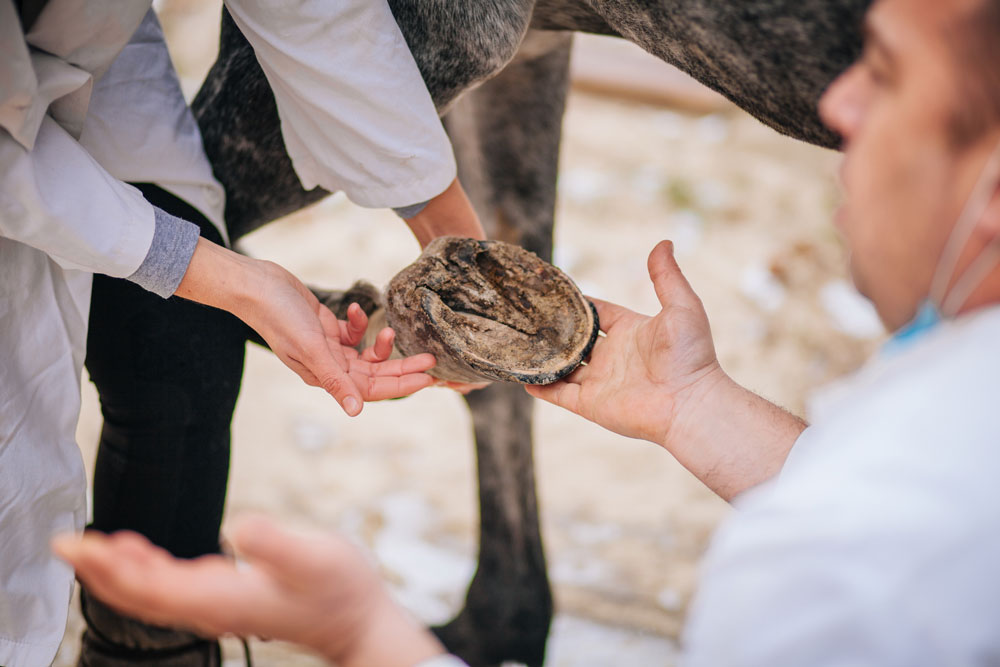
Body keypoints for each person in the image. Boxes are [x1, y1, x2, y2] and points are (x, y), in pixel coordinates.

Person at [54, 0, 1000, 663]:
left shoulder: (842, 570)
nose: (839, 106)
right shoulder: (947, 455)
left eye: (883, 70)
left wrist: (362, 637)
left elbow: (314, 19)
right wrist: (695, 406)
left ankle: (142, 645)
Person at [0, 1, 481, 665]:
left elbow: (310, 9)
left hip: (95, 57)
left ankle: (144, 646)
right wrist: (237, 281)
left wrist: (453, 235)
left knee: (182, 339)